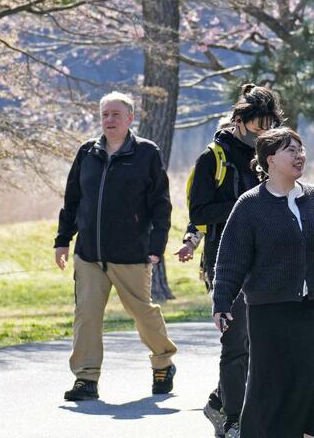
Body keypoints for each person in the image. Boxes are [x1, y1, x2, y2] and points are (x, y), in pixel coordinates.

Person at [212, 128, 314, 438]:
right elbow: (231, 260)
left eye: (301, 149)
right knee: (270, 390)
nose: (299, 155)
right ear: (270, 160)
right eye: (290, 150)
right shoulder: (250, 205)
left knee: (313, 388)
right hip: (271, 313)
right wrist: (222, 303)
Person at [54, 92, 177, 403]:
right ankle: (85, 378)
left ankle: (163, 362)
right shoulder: (87, 153)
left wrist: (156, 244)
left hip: (131, 253)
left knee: (142, 312)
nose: (109, 120)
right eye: (105, 114)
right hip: (89, 254)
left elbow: (160, 204)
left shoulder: (146, 153)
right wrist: (62, 241)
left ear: (130, 118)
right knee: (87, 315)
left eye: (116, 114)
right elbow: (72, 200)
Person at [179, 84, 282, 437]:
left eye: (270, 127)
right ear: (240, 121)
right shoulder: (213, 158)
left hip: (267, 261)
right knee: (237, 341)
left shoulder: (270, 157)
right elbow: (199, 210)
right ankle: (235, 419)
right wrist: (245, 206)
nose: (263, 134)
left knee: (260, 342)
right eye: (258, 126)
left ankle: (219, 402)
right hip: (226, 262)